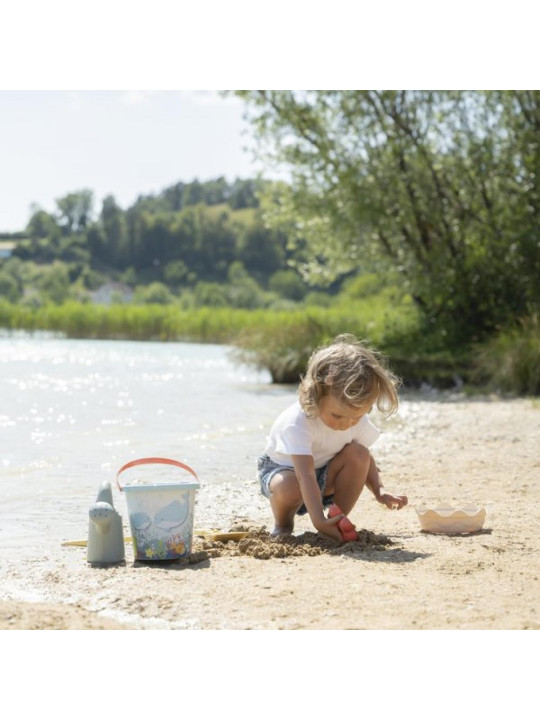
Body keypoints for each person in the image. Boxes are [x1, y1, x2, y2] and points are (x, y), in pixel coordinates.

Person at [257, 334, 408, 541]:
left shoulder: (354, 419)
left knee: (358, 453)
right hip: (287, 474)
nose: (345, 424)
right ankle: (283, 524)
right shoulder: (298, 422)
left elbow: (365, 459)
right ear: (316, 395)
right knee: (289, 486)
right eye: (337, 415)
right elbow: (305, 476)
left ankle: (336, 518)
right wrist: (316, 520)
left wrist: (379, 490)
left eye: (356, 417)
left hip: (326, 474)